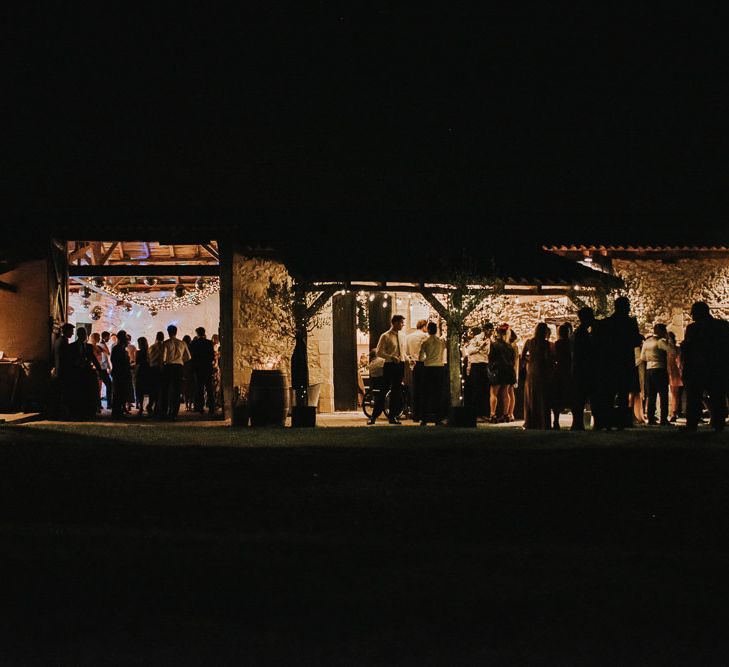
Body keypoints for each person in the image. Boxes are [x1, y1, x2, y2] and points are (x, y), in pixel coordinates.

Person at [593, 297, 642, 429]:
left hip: (610, 362)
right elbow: (636, 342)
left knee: (609, 393)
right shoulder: (630, 323)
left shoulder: (607, 323)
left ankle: (607, 422)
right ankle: (621, 422)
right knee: (623, 393)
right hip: (624, 361)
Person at [681, 301, 729, 431]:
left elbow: (689, 347)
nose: (692, 315)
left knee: (696, 396)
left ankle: (692, 424)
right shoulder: (722, 326)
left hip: (702, 367)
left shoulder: (693, 328)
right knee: (716, 396)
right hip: (714, 367)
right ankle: (718, 424)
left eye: (693, 313)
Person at [368, 315, 407, 425]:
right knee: (383, 390)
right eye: (400, 323)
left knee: (396, 391)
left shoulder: (403, 336)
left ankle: (392, 416)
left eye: (402, 323)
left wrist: (408, 359)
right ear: (394, 323)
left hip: (400, 365)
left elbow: (403, 351)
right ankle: (374, 416)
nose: (402, 325)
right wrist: (391, 357)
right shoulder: (385, 336)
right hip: (390, 365)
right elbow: (379, 352)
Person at [522, 322, 554, 429]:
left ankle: (530, 422)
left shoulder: (529, 342)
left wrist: (529, 360)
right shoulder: (546, 344)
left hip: (531, 371)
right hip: (542, 371)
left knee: (531, 396)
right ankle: (543, 422)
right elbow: (548, 359)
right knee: (542, 398)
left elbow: (522, 357)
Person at [67, 327, 102, 419]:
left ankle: (87, 411)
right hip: (76, 372)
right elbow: (69, 360)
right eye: (82, 334)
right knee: (78, 392)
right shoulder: (72, 346)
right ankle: (77, 411)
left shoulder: (89, 347)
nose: (84, 336)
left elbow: (93, 359)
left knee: (87, 392)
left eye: (85, 334)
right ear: (78, 334)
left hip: (86, 372)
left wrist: (99, 369)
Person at [640, 323, 671, 425]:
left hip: (649, 369)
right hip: (660, 368)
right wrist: (668, 340)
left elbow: (642, 357)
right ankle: (663, 419)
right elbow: (672, 351)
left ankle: (651, 418)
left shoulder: (646, 341)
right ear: (662, 331)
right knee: (663, 395)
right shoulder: (661, 341)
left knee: (651, 395)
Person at [159, 324, 191, 421]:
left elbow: (163, 358)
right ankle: (174, 413)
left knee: (166, 390)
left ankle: (165, 411)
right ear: (176, 332)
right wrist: (181, 361)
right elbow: (188, 357)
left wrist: (162, 365)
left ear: (168, 332)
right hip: (178, 367)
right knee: (177, 391)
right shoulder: (182, 343)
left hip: (168, 367)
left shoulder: (166, 343)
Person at [571, 307, 596, 431]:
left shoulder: (580, 332)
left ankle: (578, 423)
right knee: (581, 398)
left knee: (580, 398)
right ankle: (578, 424)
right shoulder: (582, 333)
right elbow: (585, 352)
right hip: (582, 369)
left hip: (579, 369)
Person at [418, 321, 447, 425]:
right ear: (436, 330)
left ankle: (424, 418)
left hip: (428, 368)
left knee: (426, 394)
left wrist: (427, 358)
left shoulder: (425, 342)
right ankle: (438, 419)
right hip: (439, 368)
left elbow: (420, 357)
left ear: (428, 330)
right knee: (438, 394)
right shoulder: (441, 342)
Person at [488, 324, 517, 423]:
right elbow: (513, 360)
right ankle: (506, 415)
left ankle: (493, 414)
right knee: (506, 392)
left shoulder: (494, 344)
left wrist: (491, 368)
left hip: (497, 370)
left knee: (493, 393)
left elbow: (491, 357)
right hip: (508, 371)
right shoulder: (510, 347)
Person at [465, 323, 493, 421]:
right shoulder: (476, 339)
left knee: (484, 390)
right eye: (490, 330)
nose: (491, 332)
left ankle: (483, 413)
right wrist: (480, 347)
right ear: (485, 330)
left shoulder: (489, 340)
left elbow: (488, 352)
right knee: (476, 389)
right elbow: (469, 350)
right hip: (476, 365)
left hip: (484, 365)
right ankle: (475, 414)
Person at [551, 322, 573, 430]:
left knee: (557, 397)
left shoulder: (557, 344)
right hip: (569, 371)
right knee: (571, 396)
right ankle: (575, 421)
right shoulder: (571, 344)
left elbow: (554, 356)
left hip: (559, 371)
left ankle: (556, 421)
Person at [406, 319, 429, 422]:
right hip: (423, 364)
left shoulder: (409, 337)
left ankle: (415, 415)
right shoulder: (426, 336)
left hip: (413, 364)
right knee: (424, 390)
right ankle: (423, 414)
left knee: (415, 390)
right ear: (424, 326)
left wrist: (410, 359)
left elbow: (405, 352)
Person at [189, 327, 216, 414]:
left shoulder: (194, 343)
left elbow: (191, 357)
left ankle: (200, 407)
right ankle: (212, 407)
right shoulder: (209, 343)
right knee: (209, 388)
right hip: (207, 368)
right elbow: (212, 356)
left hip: (198, 368)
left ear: (197, 333)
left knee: (199, 388)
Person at [110, 330, 132, 419]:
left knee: (120, 393)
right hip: (120, 374)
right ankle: (116, 412)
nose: (128, 341)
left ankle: (118, 411)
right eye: (126, 339)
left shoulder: (120, 349)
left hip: (121, 373)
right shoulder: (117, 349)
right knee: (118, 393)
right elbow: (116, 361)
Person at [147, 331, 165, 416]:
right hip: (160, 369)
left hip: (152, 369)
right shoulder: (164, 347)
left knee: (152, 389)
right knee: (160, 389)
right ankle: (157, 407)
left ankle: (150, 405)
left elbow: (148, 358)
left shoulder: (152, 347)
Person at [667, 331, 683, 422]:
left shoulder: (677, 349)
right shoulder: (666, 348)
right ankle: (671, 412)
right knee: (672, 394)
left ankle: (674, 412)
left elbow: (680, 361)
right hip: (669, 370)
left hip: (674, 371)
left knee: (674, 394)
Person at [134, 337, 153, 416]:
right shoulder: (149, 351)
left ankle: (141, 407)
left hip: (141, 371)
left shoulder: (138, 352)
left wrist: (135, 373)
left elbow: (137, 363)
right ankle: (149, 406)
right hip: (148, 371)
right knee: (150, 389)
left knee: (140, 390)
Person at [504, 328, 520, 422]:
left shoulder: (513, 346)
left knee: (509, 391)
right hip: (510, 370)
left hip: (511, 370)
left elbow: (515, 361)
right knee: (509, 391)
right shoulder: (511, 346)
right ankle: (509, 413)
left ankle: (510, 413)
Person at [97, 331, 114, 411]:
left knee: (100, 386)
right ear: (105, 337)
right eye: (108, 337)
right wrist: (108, 368)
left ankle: (100, 404)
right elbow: (104, 359)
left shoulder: (102, 344)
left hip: (102, 368)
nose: (109, 338)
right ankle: (109, 404)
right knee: (109, 385)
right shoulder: (102, 345)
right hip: (102, 369)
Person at [182, 334, 195, 411]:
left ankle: (186, 405)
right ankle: (190, 404)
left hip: (184, 369)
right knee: (191, 388)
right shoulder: (192, 348)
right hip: (191, 369)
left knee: (185, 388)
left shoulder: (183, 348)